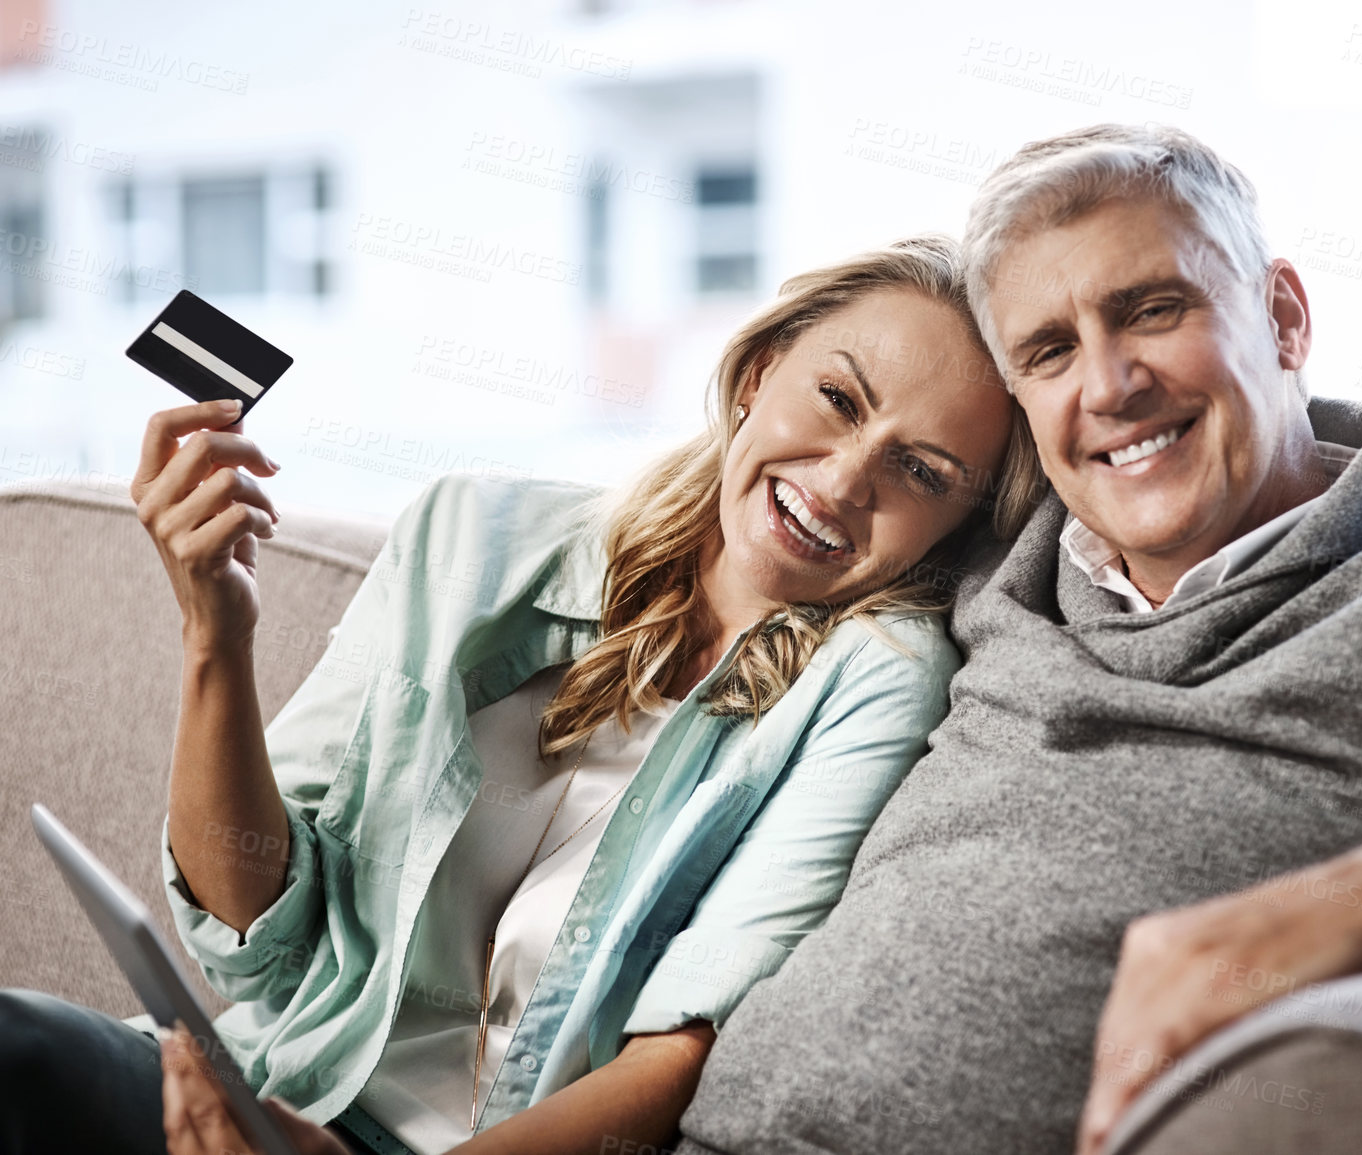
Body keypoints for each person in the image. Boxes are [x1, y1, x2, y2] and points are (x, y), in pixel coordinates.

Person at [665, 125, 1362, 1155]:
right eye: (1048, 352)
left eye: (1153, 310)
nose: (1109, 385)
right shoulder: (1006, 563)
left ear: (1282, 317)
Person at [0, 236, 1046, 1155]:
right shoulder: (472, 534)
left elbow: (677, 1058)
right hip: (256, 1091)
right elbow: (255, 935)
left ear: (956, 527)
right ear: (758, 373)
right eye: (837, 399)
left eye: (921, 470)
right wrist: (212, 634)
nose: (848, 478)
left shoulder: (876, 686)